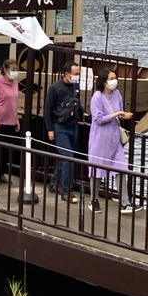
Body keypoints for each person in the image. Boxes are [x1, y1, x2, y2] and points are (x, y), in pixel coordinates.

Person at [87, 68, 140, 214]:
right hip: (100, 139)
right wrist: (116, 114)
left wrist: (124, 115)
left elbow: (120, 112)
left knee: (121, 168)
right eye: (111, 78)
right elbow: (98, 119)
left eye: (115, 78)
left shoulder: (117, 94)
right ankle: (94, 200)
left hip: (114, 139)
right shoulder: (97, 97)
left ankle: (125, 203)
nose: (114, 81)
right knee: (97, 170)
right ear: (104, 81)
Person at [43, 61, 85, 203]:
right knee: (68, 158)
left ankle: (55, 182)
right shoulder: (55, 88)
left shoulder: (76, 87)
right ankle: (66, 191)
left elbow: (76, 103)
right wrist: (50, 128)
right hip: (60, 127)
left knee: (65, 158)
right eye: (75, 74)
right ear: (67, 74)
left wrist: (82, 113)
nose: (77, 77)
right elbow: (47, 109)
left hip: (73, 126)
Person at [0, 58, 20, 185]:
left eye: (16, 70)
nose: (15, 72)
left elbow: (15, 101)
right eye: (13, 70)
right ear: (6, 70)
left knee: (7, 149)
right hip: (0, 121)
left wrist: (16, 119)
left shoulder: (15, 83)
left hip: (11, 121)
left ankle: (2, 173)